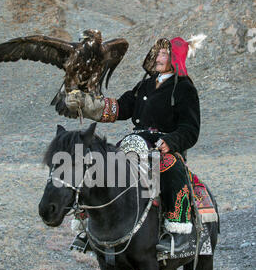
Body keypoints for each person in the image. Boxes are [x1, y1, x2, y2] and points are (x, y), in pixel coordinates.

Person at [56, 34, 206, 254]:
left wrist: (171, 142)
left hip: (163, 146)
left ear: (176, 58)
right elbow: (120, 108)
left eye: (165, 53)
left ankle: (178, 233)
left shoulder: (184, 88)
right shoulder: (144, 85)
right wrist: (87, 105)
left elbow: (191, 129)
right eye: (158, 53)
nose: (158, 57)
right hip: (135, 143)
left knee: (171, 168)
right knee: (99, 164)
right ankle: (88, 225)